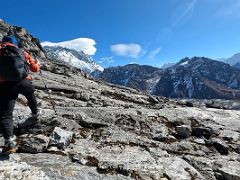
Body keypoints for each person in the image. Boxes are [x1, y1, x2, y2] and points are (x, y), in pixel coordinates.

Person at [0, 35, 40, 154]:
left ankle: (10, 142)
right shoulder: (22, 52)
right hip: (24, 81)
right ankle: (35, 113)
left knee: (6, 115)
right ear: (15, 43)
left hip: (6, 85)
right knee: (30, 95)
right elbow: (34, 68)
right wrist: (38, 64)